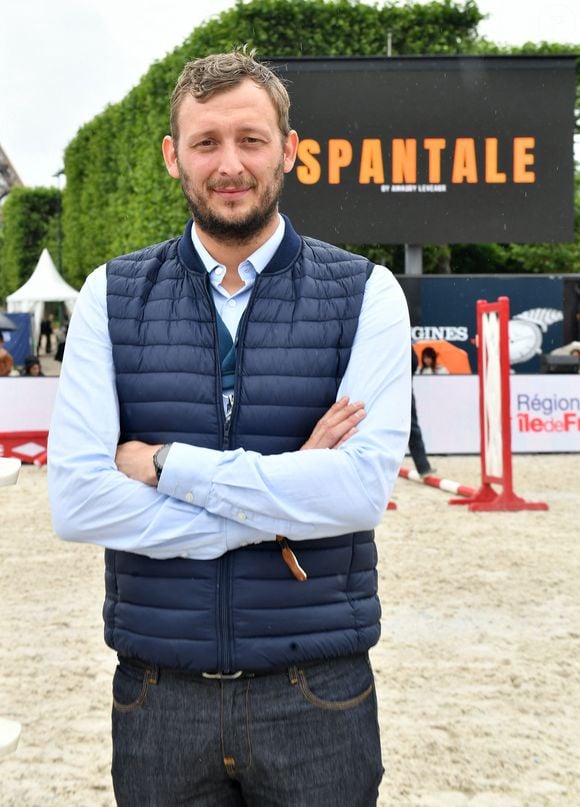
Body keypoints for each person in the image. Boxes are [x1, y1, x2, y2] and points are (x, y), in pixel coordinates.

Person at [48, 49, 411, 807]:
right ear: (172, 156)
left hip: (317, 693)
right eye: (207, 141)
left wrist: (165, 463)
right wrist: (280, 499)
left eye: (250, 139)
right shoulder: (108, 296)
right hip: (159, 696)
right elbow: (78, 502)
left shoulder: (368, 294)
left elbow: (355, 494)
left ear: (289, 149)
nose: (230, 163)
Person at [408, 347, 435, 477]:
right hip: (403, 388)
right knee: (412, 428)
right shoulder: (403, 337)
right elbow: (414, 363)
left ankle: (423, 467)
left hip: (387, 387)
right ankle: (423, 467)